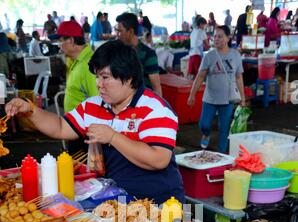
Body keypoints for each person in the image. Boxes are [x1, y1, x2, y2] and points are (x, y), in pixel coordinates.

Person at [5, 40, 185, 204]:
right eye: (97, 77)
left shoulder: (155, 109)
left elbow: (158, 159)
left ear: (129, 78)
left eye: (105, 77)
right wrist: (31, 111)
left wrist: (112, 137)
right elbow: (60, 127)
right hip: (116, 199)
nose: (99, 84)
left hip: (159, 202)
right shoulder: (93, 106)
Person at [187, 25, 245, 154]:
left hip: (228, 99)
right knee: (204, 124)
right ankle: (206, 134)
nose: (216, 39)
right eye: (215, 36)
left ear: (228, 38)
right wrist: (192, 94)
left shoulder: (235, 55)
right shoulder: (209, 56)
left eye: (220, 36)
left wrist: (243, 98)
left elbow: (239, 77)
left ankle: (221, 154)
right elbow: (200, 76)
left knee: (224, 128)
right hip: (210, 98)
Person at [116, 12, 162, 96]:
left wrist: (159, 107)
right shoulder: (118, 51)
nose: (117, 35)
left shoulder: (148, 54)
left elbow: (156, 87)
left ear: (130, 31)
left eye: (120, 31)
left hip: (142, 102)